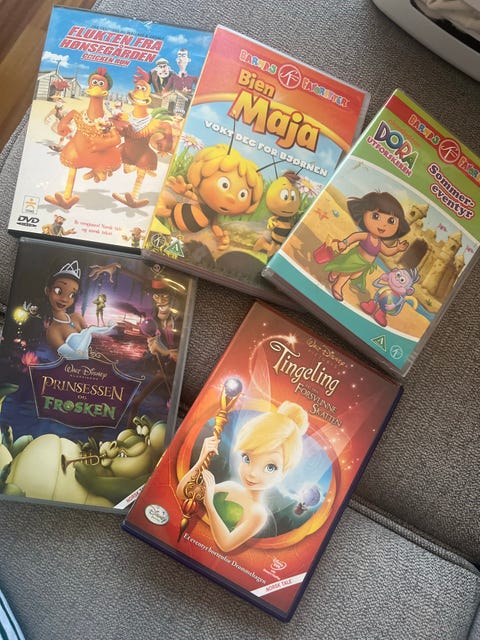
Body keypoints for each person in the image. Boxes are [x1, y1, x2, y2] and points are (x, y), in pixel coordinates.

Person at [176, 401, 308, 552]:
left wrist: (210, 506)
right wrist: (202, 459)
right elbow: (183, 493)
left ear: (283, 473)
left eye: (270, 467)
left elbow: (226, 545)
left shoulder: (258, 513)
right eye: (247, 458)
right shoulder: (230, 487)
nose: (252, 473)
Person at [322, 191, 410, 301]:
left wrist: (397, 248)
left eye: (391, 221)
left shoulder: (379, 243)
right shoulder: (366, 236)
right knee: (347, 272)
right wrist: (345, 242)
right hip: (355, 258)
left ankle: (335, 272)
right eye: (376, 216)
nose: (384, 224)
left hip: (365, 264)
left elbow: (387, 251)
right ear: (364, 213)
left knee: (354, 275)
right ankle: (337, 287)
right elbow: (355, 237)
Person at [43, 260, 112, 360]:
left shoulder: (77, 317)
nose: (65, 299)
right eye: (58, 291)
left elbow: (91, 344)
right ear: (47, 291)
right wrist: (90, 331)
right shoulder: (53, 331)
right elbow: (74, 356)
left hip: (90, 366)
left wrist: (108, 328)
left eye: (72, 295)